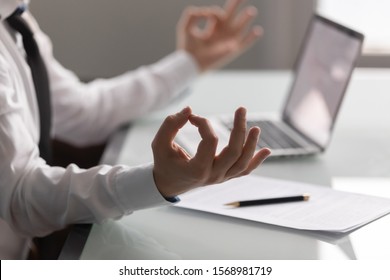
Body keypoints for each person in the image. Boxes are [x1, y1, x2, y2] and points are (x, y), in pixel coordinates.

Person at [0, 0, 271, 259]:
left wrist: (190, 62)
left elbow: (80, 111)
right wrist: (156, 181)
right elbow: (21, 197)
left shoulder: (14, 16)